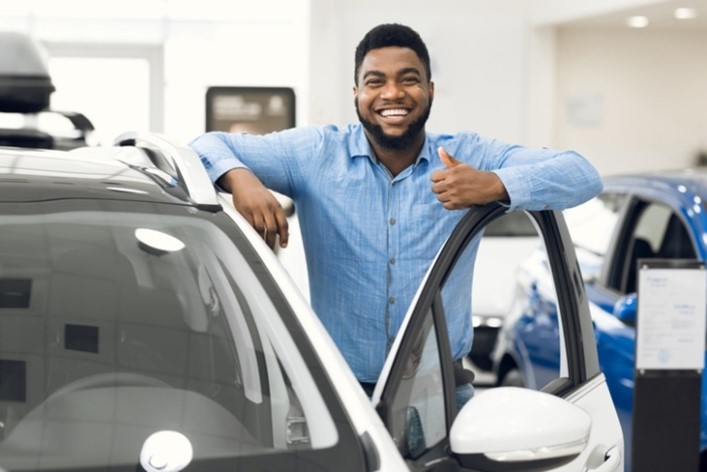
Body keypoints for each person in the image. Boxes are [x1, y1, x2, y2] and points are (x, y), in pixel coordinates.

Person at [189, 23, 603, 408]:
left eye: (408, 79)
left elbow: (582, 173)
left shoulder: (468, 155)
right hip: (337, 395)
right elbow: (203, 144)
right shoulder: (316, 154)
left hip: (440, 396)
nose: (392, 94)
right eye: (375, 82)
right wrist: (240, 178)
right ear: (356, 93)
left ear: (429, 90)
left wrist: (494, 185)